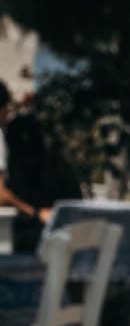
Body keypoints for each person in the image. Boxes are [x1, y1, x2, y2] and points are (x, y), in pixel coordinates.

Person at [0, 81, 81, 251]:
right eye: (5, 108)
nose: (6, 114)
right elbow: (1, 195)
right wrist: (37, 214)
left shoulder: (57, 167)